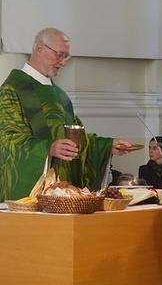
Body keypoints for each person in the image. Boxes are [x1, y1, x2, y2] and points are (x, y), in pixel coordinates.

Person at [0, 28, 132, 201]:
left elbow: (74, 138)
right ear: (40, 49)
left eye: (66, 56)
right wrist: (48, 149)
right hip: (29, 197)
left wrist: (105, 146)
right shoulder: (12, 90)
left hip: (62, 194)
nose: (63, 62)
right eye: (59, 55)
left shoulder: (59, 95)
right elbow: (7, 141)